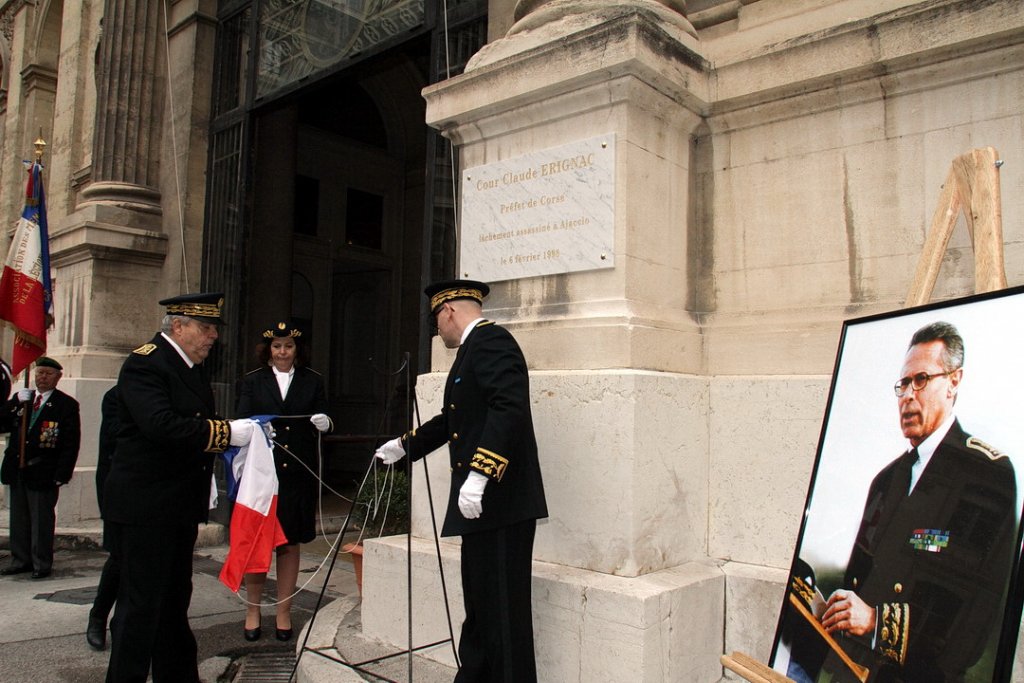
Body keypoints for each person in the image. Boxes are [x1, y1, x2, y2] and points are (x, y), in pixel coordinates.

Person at [791, 321, 1017, 683]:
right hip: (854, 671)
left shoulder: (986, 474)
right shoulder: (887, 480)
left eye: (922, 380)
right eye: (903, 385)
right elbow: (861, 582)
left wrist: (877, 622)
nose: (908, 396)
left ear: (954, 381)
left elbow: (970, 621)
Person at [374, 279, 548, 683]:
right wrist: (405, 446)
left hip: (500, 504)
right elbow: (455, 421)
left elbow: (509, 408)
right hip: (485, 507)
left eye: (437, 321)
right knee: (482, 607)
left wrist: (480, 475)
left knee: (503, 615)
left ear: (449, 310)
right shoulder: (473, 350)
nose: (438, 331)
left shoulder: (492, 341)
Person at [101, 292, 256, 683]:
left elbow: (193, 422)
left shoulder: (189, 367)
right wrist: (225, 432)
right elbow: (161, 425)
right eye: (205, 328)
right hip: (146, 508)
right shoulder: (145, 363)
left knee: (172, 604)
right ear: (178, 325)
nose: (212, 337)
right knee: (140, 608)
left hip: (177, 507)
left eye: (213, 330)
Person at [235, 321, 332, 642]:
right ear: (268, 349)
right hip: (262, 476)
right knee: (259, 544)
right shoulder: (253, 381)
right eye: (277, 346)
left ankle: (283, 612)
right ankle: (253, 611)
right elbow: (241, 421)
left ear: (296, 349)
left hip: (297, 477)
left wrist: (325, 422)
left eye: (288, 346)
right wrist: (255, 429)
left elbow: (325, 416)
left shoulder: (312, 380)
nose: (282, 352)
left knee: (289, 544)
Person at [0, 356, 81, 580]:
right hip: (19, 468)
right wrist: (13, 403)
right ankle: (21, 560)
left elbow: (70, 443)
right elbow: (2, 423)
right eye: (39, 373)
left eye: (47, 374)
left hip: (43, 470)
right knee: (19, 520)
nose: (42, 378)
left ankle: (41, 562)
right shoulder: (23, 401)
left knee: (41, 521)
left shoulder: (66, 405)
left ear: (58, 377)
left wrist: (62, 473)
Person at [86, 385, 120, 650]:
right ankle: (98, 615)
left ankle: (123, 624)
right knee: (119, 559)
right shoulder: (117, 396)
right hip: (118, 492)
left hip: (157, 498)